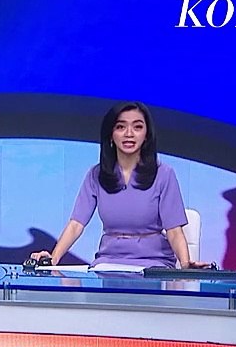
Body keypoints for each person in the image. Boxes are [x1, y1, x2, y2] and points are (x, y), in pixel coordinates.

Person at [32, 101, 209, 269]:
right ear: (111, 134)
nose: (129, 133)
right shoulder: (96, 175)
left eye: (137, 127)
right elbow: (76, 224)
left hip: (154, 262)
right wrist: (53, 258)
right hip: (108, 261)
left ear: (147, 135)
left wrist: (185, 265)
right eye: (120, 127)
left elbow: (174, 231)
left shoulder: (164, 174)